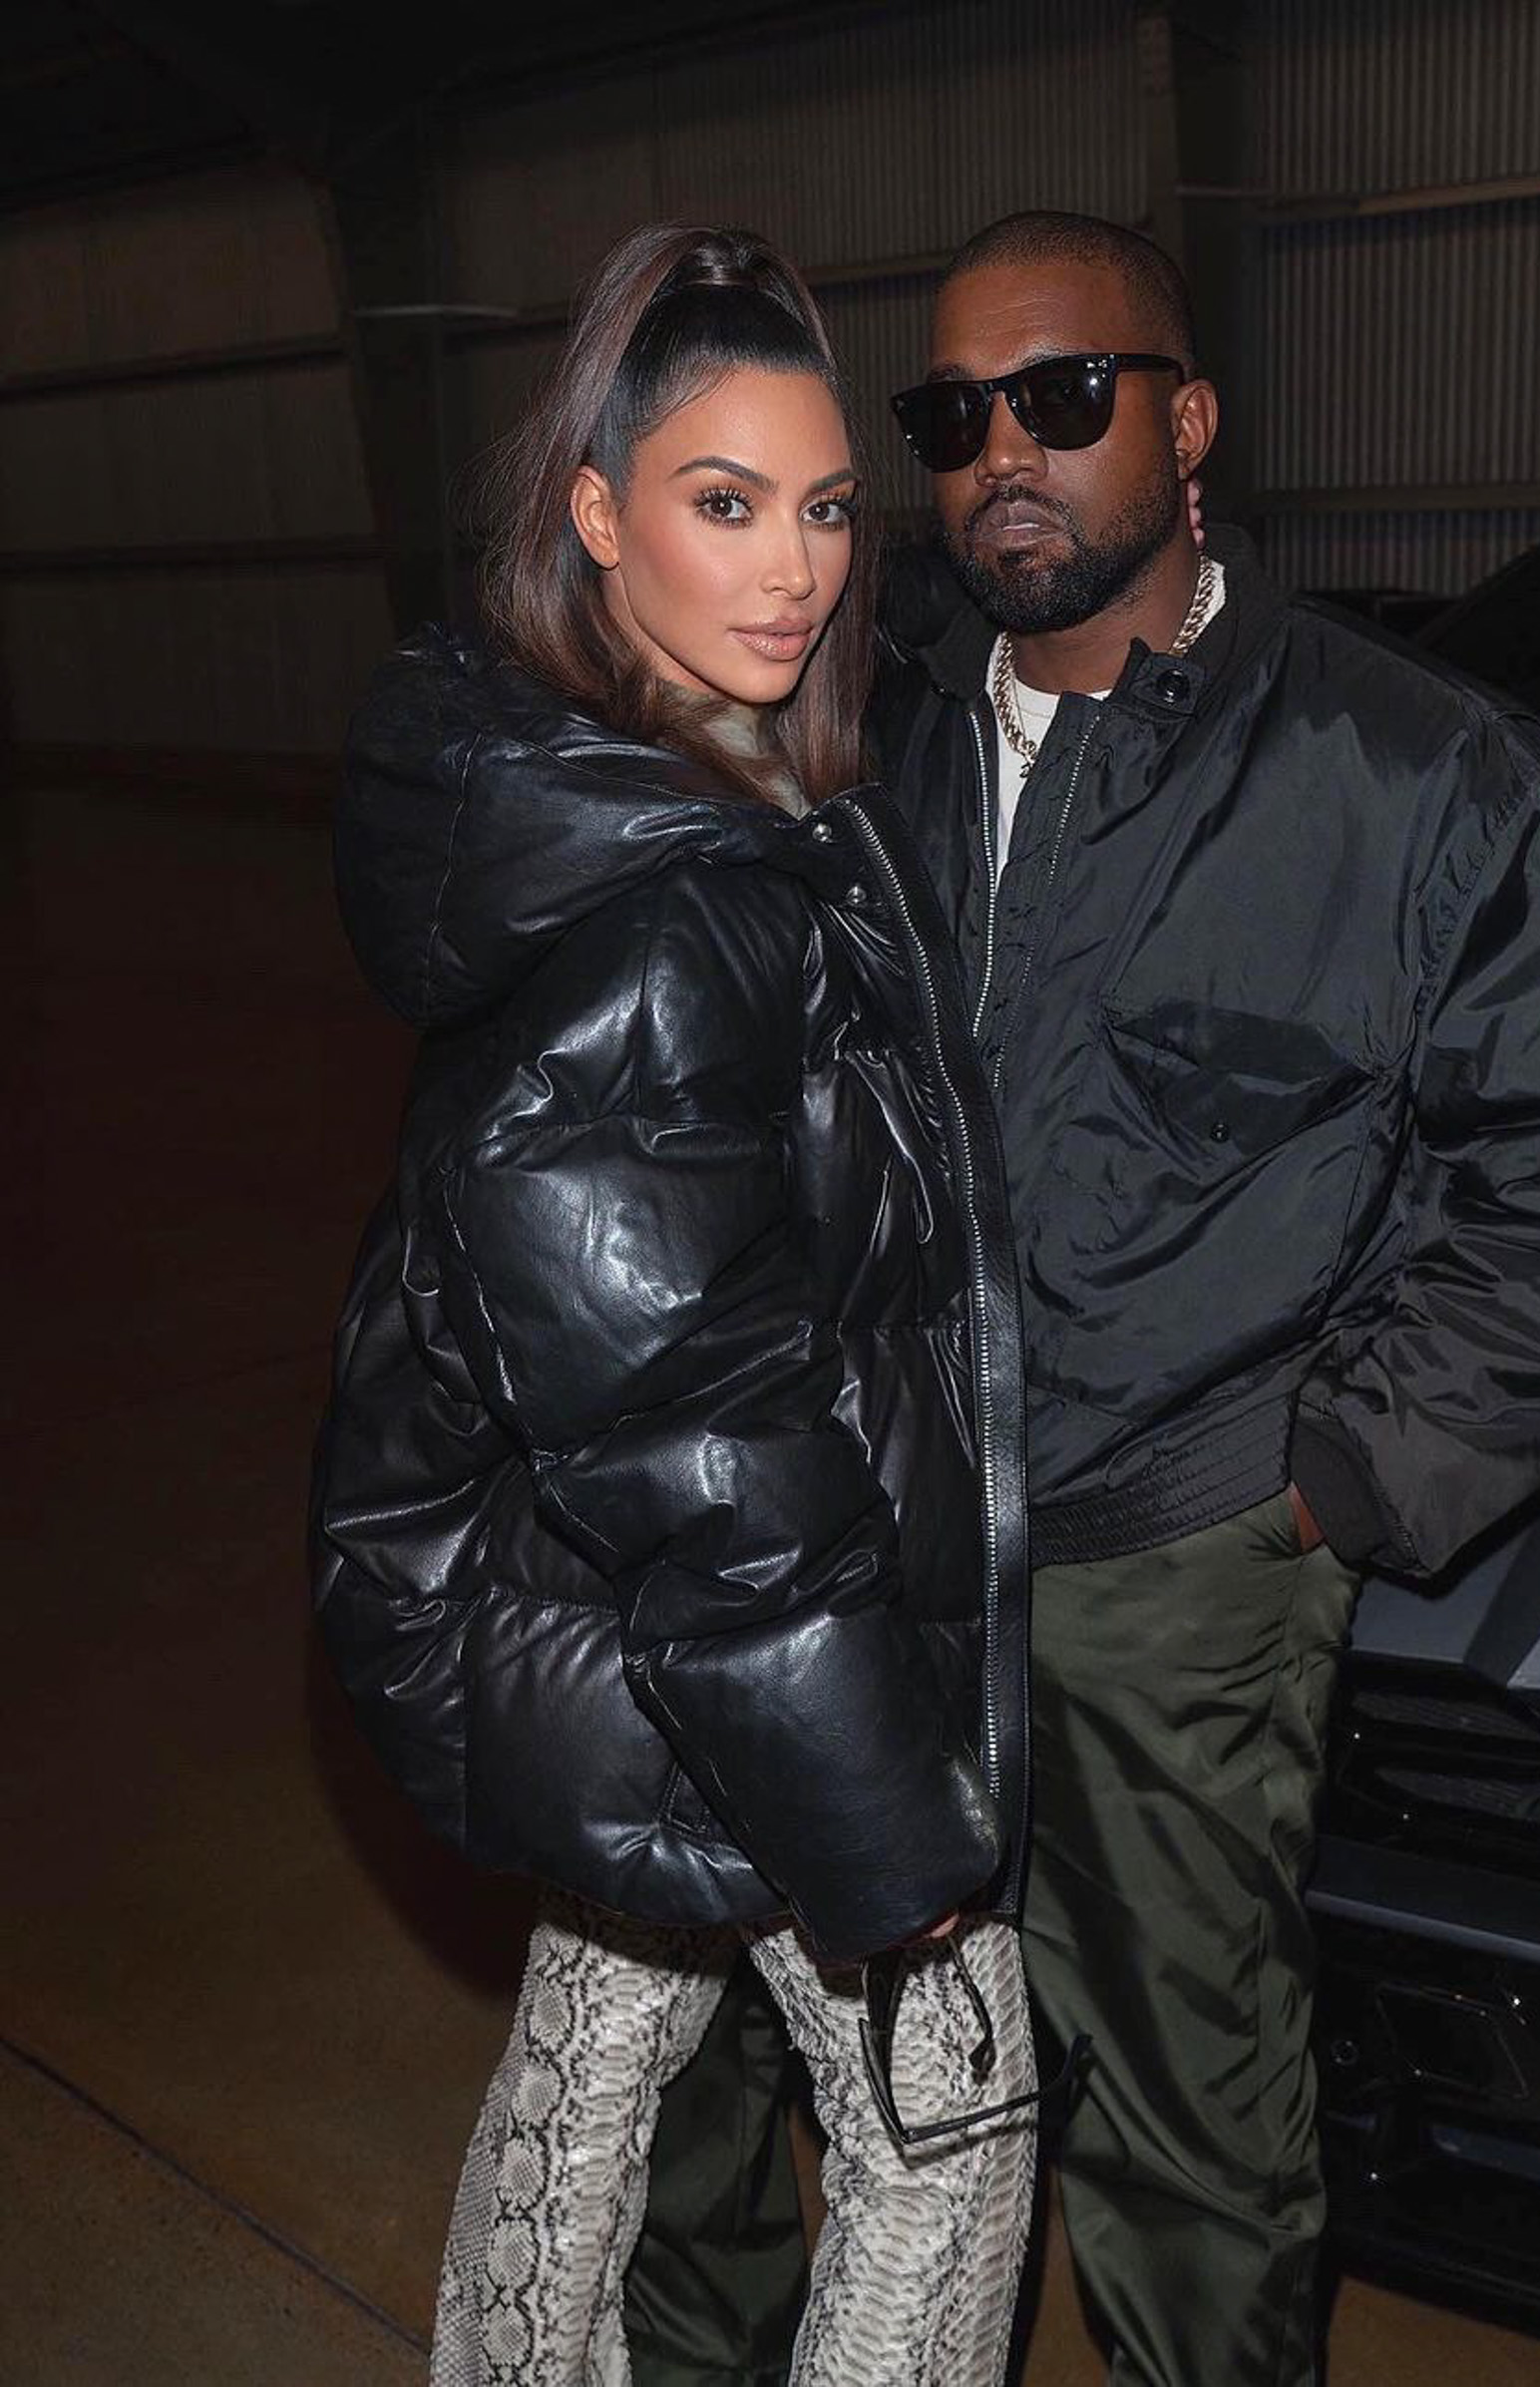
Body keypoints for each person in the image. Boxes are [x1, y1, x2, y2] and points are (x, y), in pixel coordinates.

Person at [621, 209, 1540, 2386]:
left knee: (1186, 2144)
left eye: (1062, 396)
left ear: (1186, 417)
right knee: (721, 2082)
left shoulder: (1406, 778)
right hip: (849, 1545)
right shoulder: (860, 742)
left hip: (1166, 1576)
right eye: (949, 418)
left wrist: (1326, 1485)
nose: (1001, 455)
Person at [309, 222, 1042, 2387]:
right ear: (596, 514)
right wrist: (896, 1848)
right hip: (708, 1606)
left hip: (595, 1614)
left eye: (825, 507)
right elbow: (702, 1440)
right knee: (956, 2121)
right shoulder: (662, 906)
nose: (796, 567)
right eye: (724, 504)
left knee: (596, 2040)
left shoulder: (666, 795)